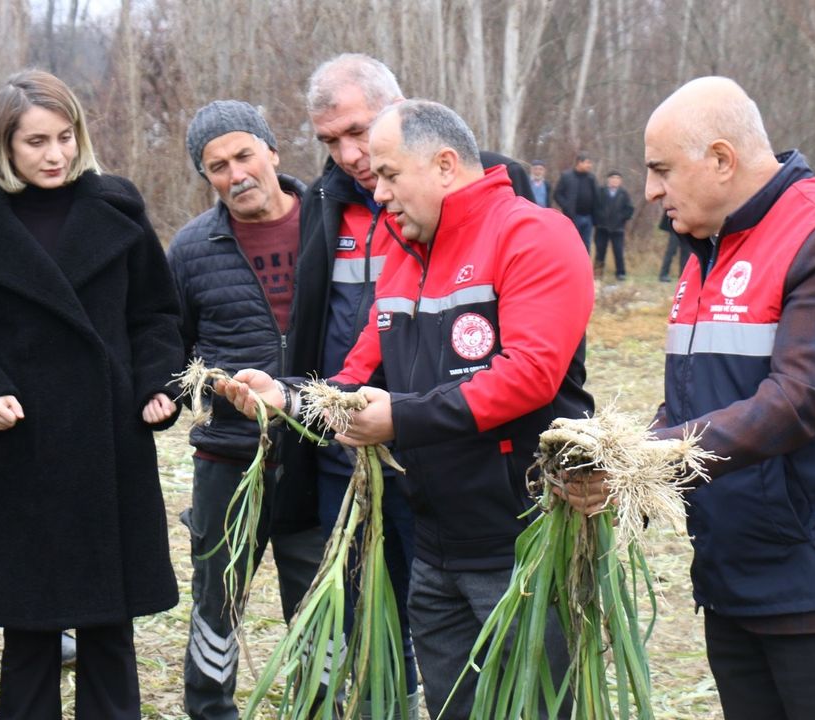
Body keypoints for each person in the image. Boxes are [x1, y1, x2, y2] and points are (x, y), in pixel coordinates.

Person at [224, 99, 593, 720]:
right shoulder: (402, 253)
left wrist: (400, 418)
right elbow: (355, 374)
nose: (380, 193)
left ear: (445, 165)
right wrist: (285, 397)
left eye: (391, 175)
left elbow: (529, 376)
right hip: (434, 546)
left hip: (521, 548)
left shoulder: (533, 233)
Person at [565, 76, 815, 720]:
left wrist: (643, 459)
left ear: (721, 159)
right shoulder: (706, 251)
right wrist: (620, 476)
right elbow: (692, 406)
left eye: (661, 169)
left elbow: (796, 402)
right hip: (736, 578)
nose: (650, 191)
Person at [0, 69, 183, 719]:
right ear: (4, 146)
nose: (55, 154)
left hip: (110, 439)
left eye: (66, 137)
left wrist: (157, 384)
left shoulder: (117, 208)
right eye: (36, 141)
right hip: (25, 445)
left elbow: (155, 315)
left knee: (109, 625)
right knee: (31, 631)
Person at [290, 55, 544, 714]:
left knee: (523, 683)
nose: (355, 161)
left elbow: (530, 367)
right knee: (430, 662)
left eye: (361, 134)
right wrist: (303, 398)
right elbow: (359, 341)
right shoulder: (348, 217)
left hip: (491, 497)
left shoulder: (513, 213)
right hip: (396, 474)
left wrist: (401, 417)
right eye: (331, 142)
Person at [169, 100, 324, 720]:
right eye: (217, 166)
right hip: (229, 460)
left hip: (320, 454)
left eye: (244, 155)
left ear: (273, 152)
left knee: (317, 600)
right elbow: (170, 356)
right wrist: (204, 390)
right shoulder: (190, 248)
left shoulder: (331, 225)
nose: (236, 174)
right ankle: (209, 709)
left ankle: (317, 708)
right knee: (216, 601)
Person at [592, 170, 634, 280]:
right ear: (608, 180)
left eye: (617, 178)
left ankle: (620, 273)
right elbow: (594, 207)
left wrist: (621, 218)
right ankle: (598, 273)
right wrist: (598, 220)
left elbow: (629, 209)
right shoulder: (600, 191)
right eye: (613, 178)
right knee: (600, 251)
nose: (615, 180)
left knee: (618, 252)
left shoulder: (624, 194)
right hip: (602, 228)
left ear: (620, 181)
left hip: (617, 229)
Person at [554, 153, 598, 249]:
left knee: (586, 245)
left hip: (588, 218)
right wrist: (566, 206)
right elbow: (557, 194)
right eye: (588, 163)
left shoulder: (591, 178)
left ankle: (584, 264)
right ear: (579, 163)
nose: (590, 165)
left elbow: (596, 197)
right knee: (571, 244)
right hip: (573, 217)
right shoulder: (567, 176)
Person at [656, 213, 691, 282]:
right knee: (671, 251)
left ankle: (683, 276)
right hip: (675, 226)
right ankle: (663, 274)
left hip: (687, 227)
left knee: (686, 252)